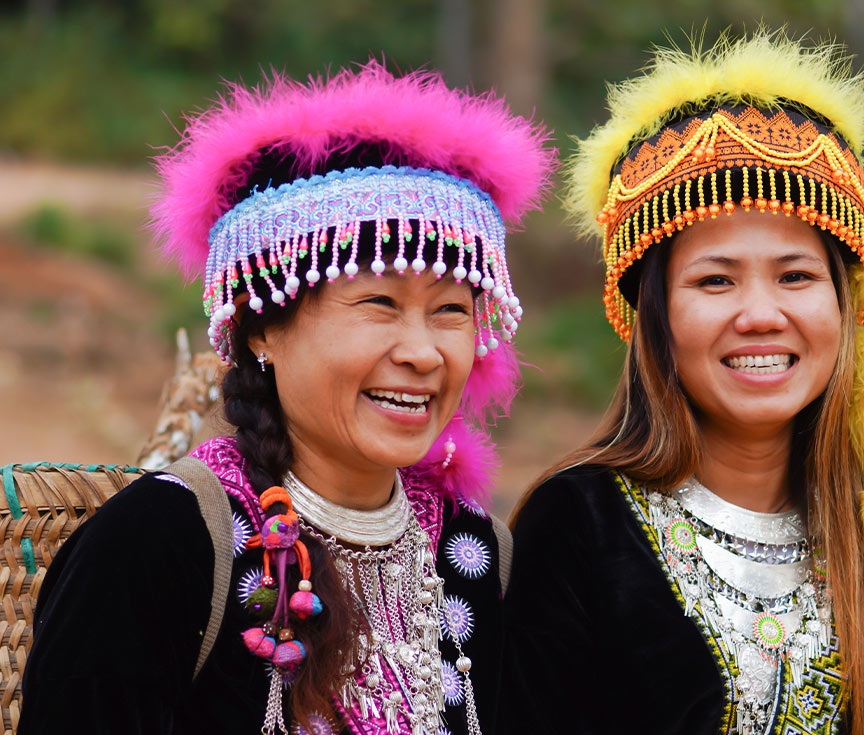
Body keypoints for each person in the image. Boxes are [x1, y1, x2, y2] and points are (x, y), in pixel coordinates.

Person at [20, 63, 553, 735]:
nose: (423, 353)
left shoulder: (475, 555)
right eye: (379, 303)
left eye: (450, 311)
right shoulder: (160, 544)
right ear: (263, 330)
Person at [499, 33, 864, 735]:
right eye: (715, 281)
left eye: (796, 276)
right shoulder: (577, 524)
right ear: (654, 318)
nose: (761, 315)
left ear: (847, 306)